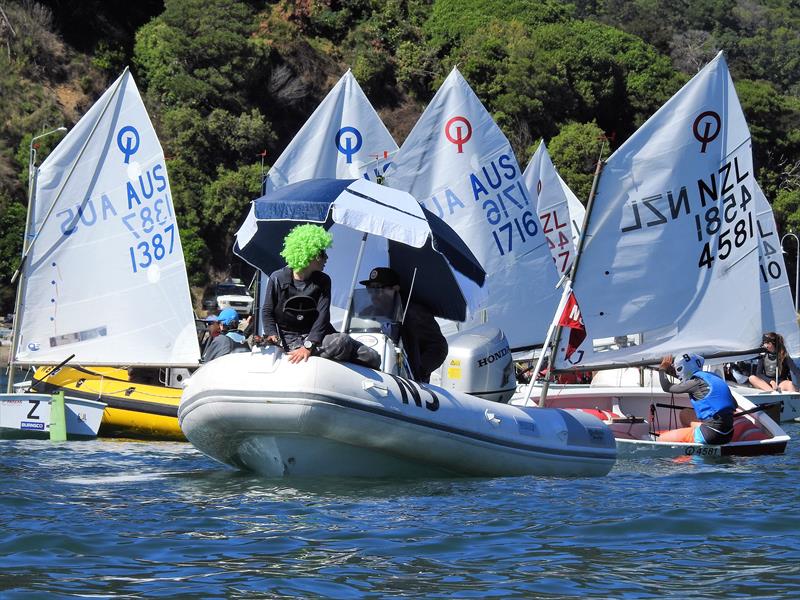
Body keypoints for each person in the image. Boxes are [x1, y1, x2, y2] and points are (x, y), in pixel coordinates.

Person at [261, 224, 380, 368]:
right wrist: (271, 334)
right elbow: (267, 311)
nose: (326, 258)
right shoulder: (278, 278)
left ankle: (321, 354)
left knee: (371, 357)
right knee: (341, 343)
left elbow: (322, 318)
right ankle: (301, 353)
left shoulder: (323, 280)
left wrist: (308, 346)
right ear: (310, 255)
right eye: (322, 254)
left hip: (319, 338)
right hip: (289, 340)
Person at [359, 267, 448, 383]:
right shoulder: (366, 313)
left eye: (379, 288)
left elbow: (439, 347)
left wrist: (418, 370)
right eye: (370, 288)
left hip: (407, 384)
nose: (374, 293)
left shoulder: (414, 313)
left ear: (395, 289)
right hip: (372, 376)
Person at [657, 353, 736, 445]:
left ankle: (693, 448)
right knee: (685, 413)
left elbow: (667, 387)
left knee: (661, 439)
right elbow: (734, 404)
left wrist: (662, 369)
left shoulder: (695, 382)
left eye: (678, 369)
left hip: (710, 434)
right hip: (728, 434)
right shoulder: (714, 378)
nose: (678, 374)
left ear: (684, 368)